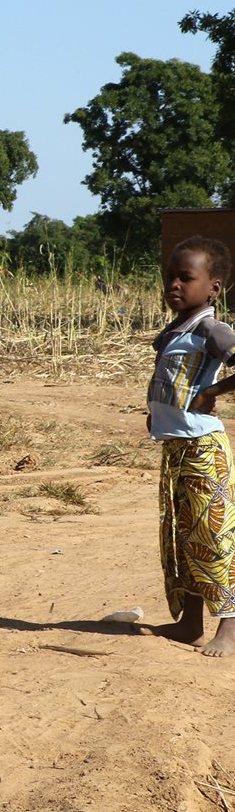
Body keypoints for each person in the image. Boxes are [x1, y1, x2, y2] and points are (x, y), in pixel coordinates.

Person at [140, 235, 235, 657]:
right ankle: (191, 623)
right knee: (182, 538)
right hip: (176, 449)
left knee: (213, 537)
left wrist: (214, 390)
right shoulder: (174, 331)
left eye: (186, 278)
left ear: (213, 287)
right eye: (170, 277)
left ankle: (229, 629)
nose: (174, 285)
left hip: (202, 449)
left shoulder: (213, 329)